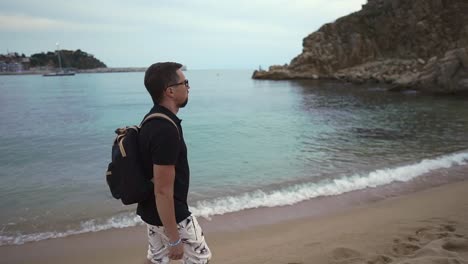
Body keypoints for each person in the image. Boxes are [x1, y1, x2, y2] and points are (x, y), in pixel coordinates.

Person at [138, 62, 211, 264]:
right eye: (185, 82)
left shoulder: (151, 119)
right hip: (172, 216)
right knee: (200, 259)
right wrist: (174, 238)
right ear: (170, 91)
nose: (188, 87)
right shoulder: (165, 129)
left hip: (150, 212)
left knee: (156, 260)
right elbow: (162, 190)